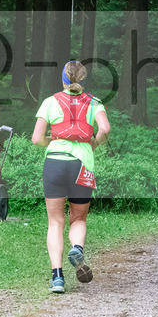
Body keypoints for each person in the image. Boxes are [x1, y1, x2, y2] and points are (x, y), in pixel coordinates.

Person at [32, 61, 110, 294]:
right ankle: (77, 247)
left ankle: (57, 278)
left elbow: (36, 138)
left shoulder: (50, 101)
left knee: (55, 221)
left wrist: (52, 142)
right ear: (83, 80)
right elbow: (105, 128)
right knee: (78, 218)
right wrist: (93, 144)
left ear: (63, 80)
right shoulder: (95, 102)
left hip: (55, 162)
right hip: (81, 163)